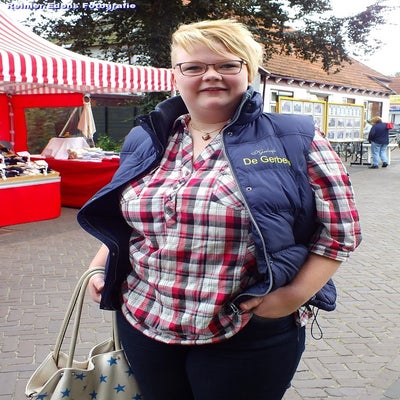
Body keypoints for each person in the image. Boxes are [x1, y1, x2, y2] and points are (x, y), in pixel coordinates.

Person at [77, 19, 362, 400]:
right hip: (145, 320)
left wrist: (293, 297)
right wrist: (99, 266)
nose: (210, 75)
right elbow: (129, 218)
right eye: (194, 67)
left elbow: (341, 232)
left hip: (244, 329)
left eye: (227, 64)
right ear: (175, 75)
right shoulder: (146, 138)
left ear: (249, 71)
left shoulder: (296, 137)